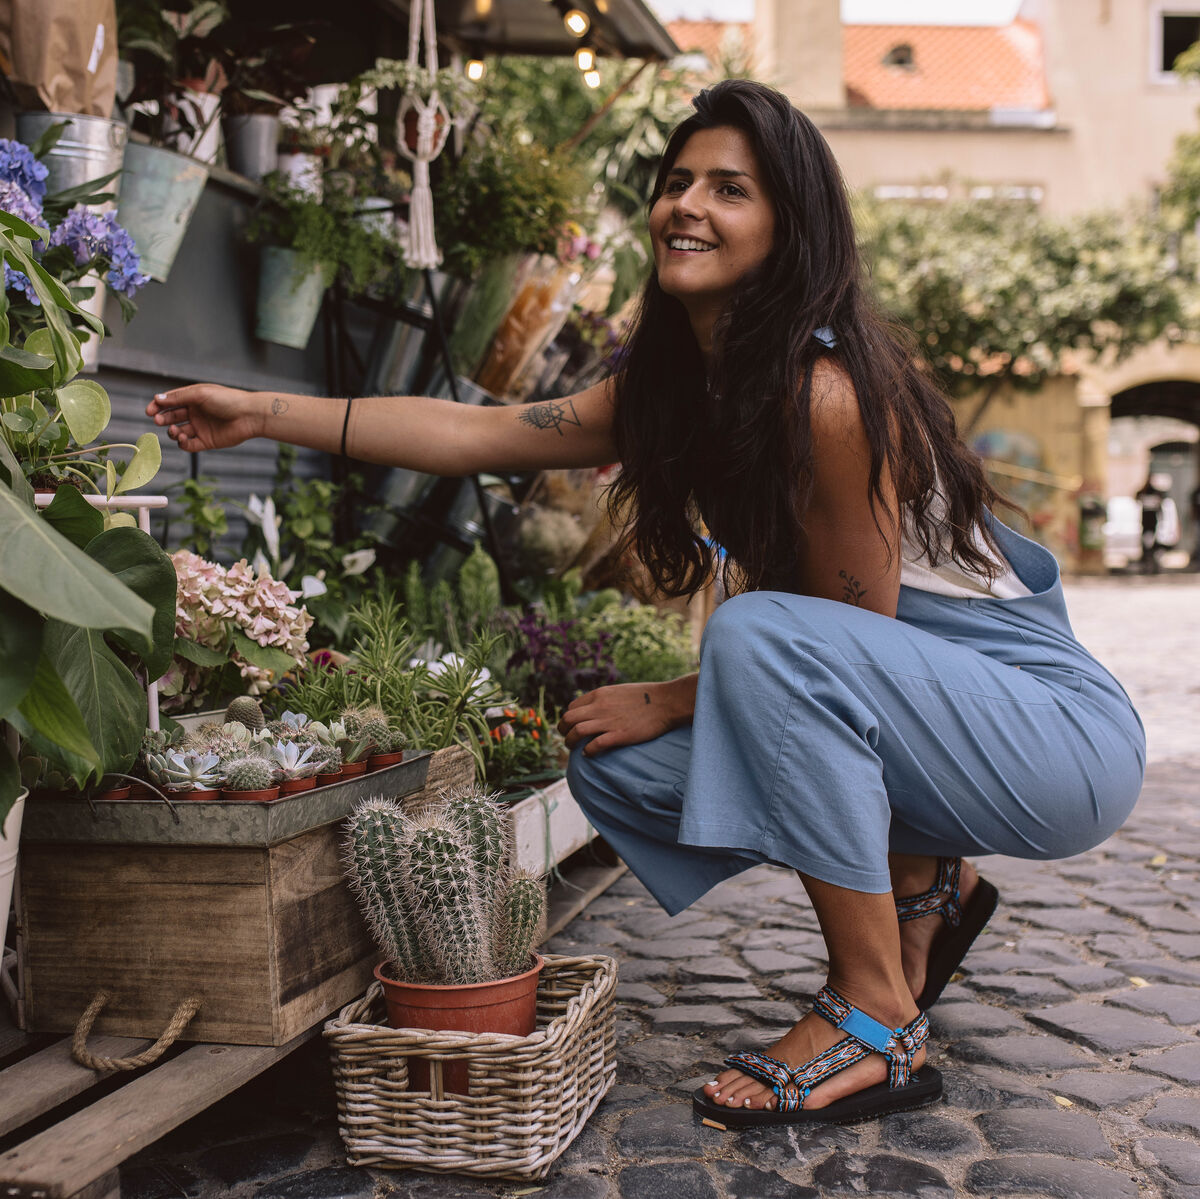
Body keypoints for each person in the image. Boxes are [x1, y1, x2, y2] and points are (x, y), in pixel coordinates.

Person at [146, 80, 1145, 1127]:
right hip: (939, 708)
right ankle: (927, 882)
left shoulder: (830, 394)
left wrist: (676, 695)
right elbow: (476, 433)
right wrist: (262, 408)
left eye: (730, 188)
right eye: (677, 183)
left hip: (1055, 738)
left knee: (753, 638)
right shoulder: (680, 388)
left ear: (789, 225)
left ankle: (875, 1018)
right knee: (614, 761)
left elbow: (856, 637)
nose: (687, 207)